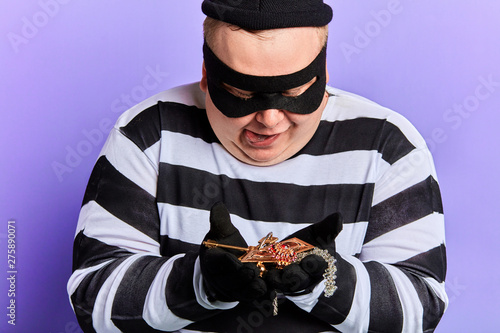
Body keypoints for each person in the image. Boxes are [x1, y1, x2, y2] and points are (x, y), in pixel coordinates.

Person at [67, 1, 448, 332]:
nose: (268, 119)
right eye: (240, 93)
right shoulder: (149, 134)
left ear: (324, 74)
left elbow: (420, 311)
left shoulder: (388, 144)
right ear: (206, 74)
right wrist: (199, 282)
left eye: (294, 92)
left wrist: (320, 277)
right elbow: (92, 302)